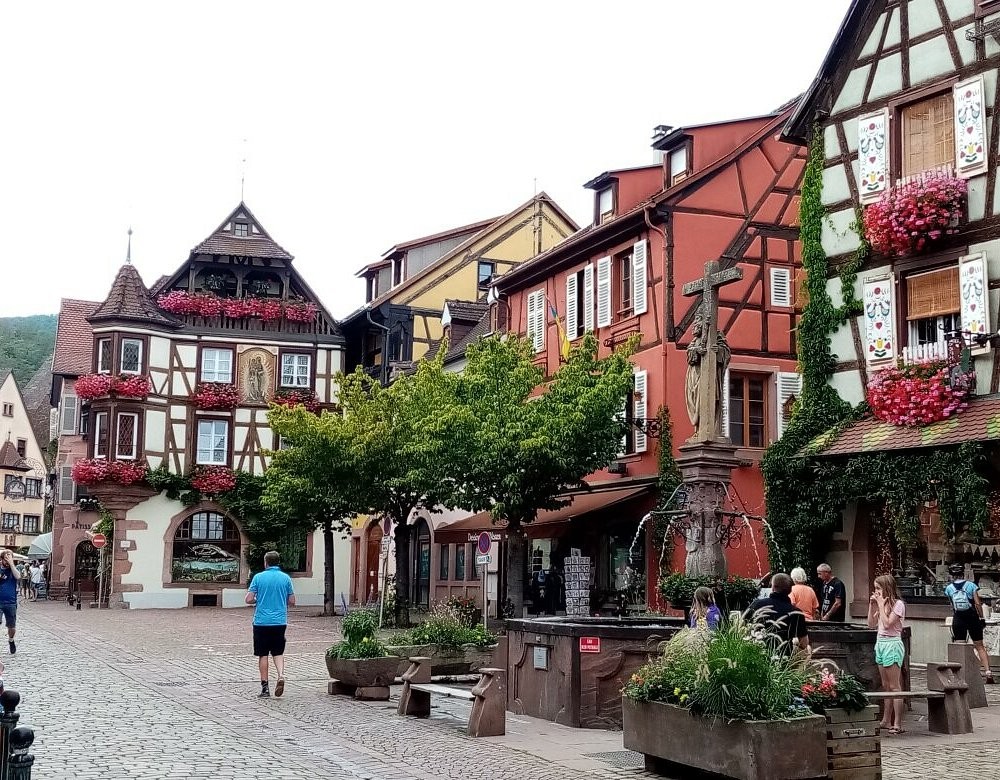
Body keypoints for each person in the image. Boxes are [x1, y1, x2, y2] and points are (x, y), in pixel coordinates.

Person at [245, 550, 295, 698]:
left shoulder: (258, 577)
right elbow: (292, 601)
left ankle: (265, 688)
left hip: (261, 622)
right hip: (279, 621)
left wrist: (258, 600)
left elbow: (248, 599)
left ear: (265, 562)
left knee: (263, 654)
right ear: (278, 562)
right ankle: (281, 675)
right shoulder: (285, 578)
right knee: (278, 652)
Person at [868, 574, 906, 735]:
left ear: (886, 588)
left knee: (894, 685)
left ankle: (897, 722)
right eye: (875, 588)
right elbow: (871, 624)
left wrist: (881, 605)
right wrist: (872, 606)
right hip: (881, 643)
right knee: (885, 685)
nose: (876, 591)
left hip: (892, 643)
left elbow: (888, 623)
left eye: (878, 588)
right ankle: (885, 719)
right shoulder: (879, 603)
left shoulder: (898, 604)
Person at [945, 563, 994, 684]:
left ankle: (961, 675)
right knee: (980, 646)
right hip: (972, 617)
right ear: (963, 574)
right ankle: (988, 673)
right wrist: (981, 617)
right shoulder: (971, 585)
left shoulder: (949, 588)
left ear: (952, 575)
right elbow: (977, 603)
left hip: (959, 618)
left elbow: (952, 605)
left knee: (960, 646)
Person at [743, 573, 810, 654]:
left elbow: (742, 626)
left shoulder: (757, 604)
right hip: (783, 658)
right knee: (807, 650)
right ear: (790, 590)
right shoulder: (796, 613)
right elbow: (804, 643)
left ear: (773, 587)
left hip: (756, 656)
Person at [0, 551, 20, 654]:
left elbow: (18, 577)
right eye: (5, 559)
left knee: (11, 626)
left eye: (9, 558)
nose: (7, 561)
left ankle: (11, 640)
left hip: (11, 602)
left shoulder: (13, 570)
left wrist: (12, 564)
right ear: (1, 559)